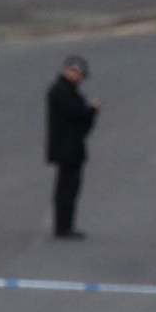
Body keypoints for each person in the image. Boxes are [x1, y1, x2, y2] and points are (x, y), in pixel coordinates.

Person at [45, 56, 100, 240]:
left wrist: (90, 112)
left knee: (71, 187)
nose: (80, 79)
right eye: (79, 74)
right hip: (66, 147)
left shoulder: (68, 90)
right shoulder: (61, 91)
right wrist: (91, 110)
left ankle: (66, 225)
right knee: (66, 189)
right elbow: (76, 115)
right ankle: (63, 227)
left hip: (71, 147)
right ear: (71, 71)